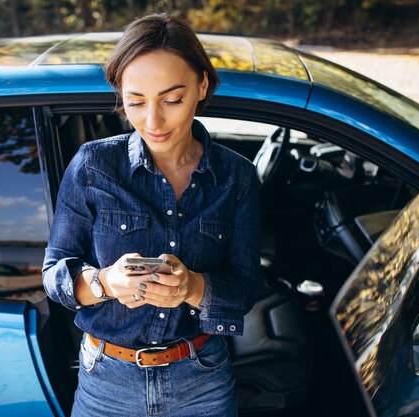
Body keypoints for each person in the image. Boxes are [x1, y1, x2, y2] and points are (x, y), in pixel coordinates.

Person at [43, 13, 260, 417]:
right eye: (136, 102)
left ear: (202, 85)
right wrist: (105, 281)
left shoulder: (237, 177)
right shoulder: (92, 165)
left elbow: (246, 287)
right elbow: (54, 274)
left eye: (172, 100)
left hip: (202, 379)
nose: (153, 121)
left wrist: (192, 287)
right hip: (106, 383)